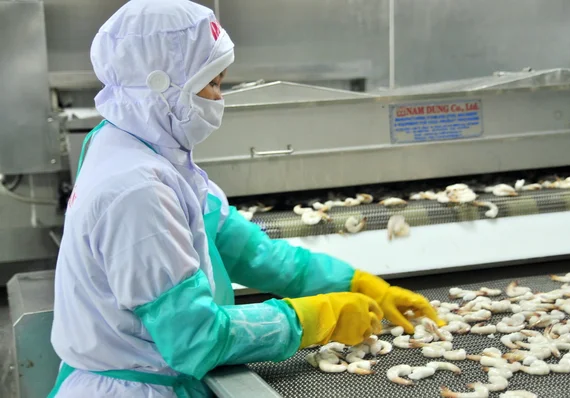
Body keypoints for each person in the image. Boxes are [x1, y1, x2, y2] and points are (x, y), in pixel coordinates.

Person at [49, 0, 442, 397]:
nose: (219, 101)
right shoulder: (135, 190)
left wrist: (356, 283)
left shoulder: (142, 147)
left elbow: (248, 251)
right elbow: (194, 337)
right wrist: (311, 319)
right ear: (161, 84)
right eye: (213, 84)